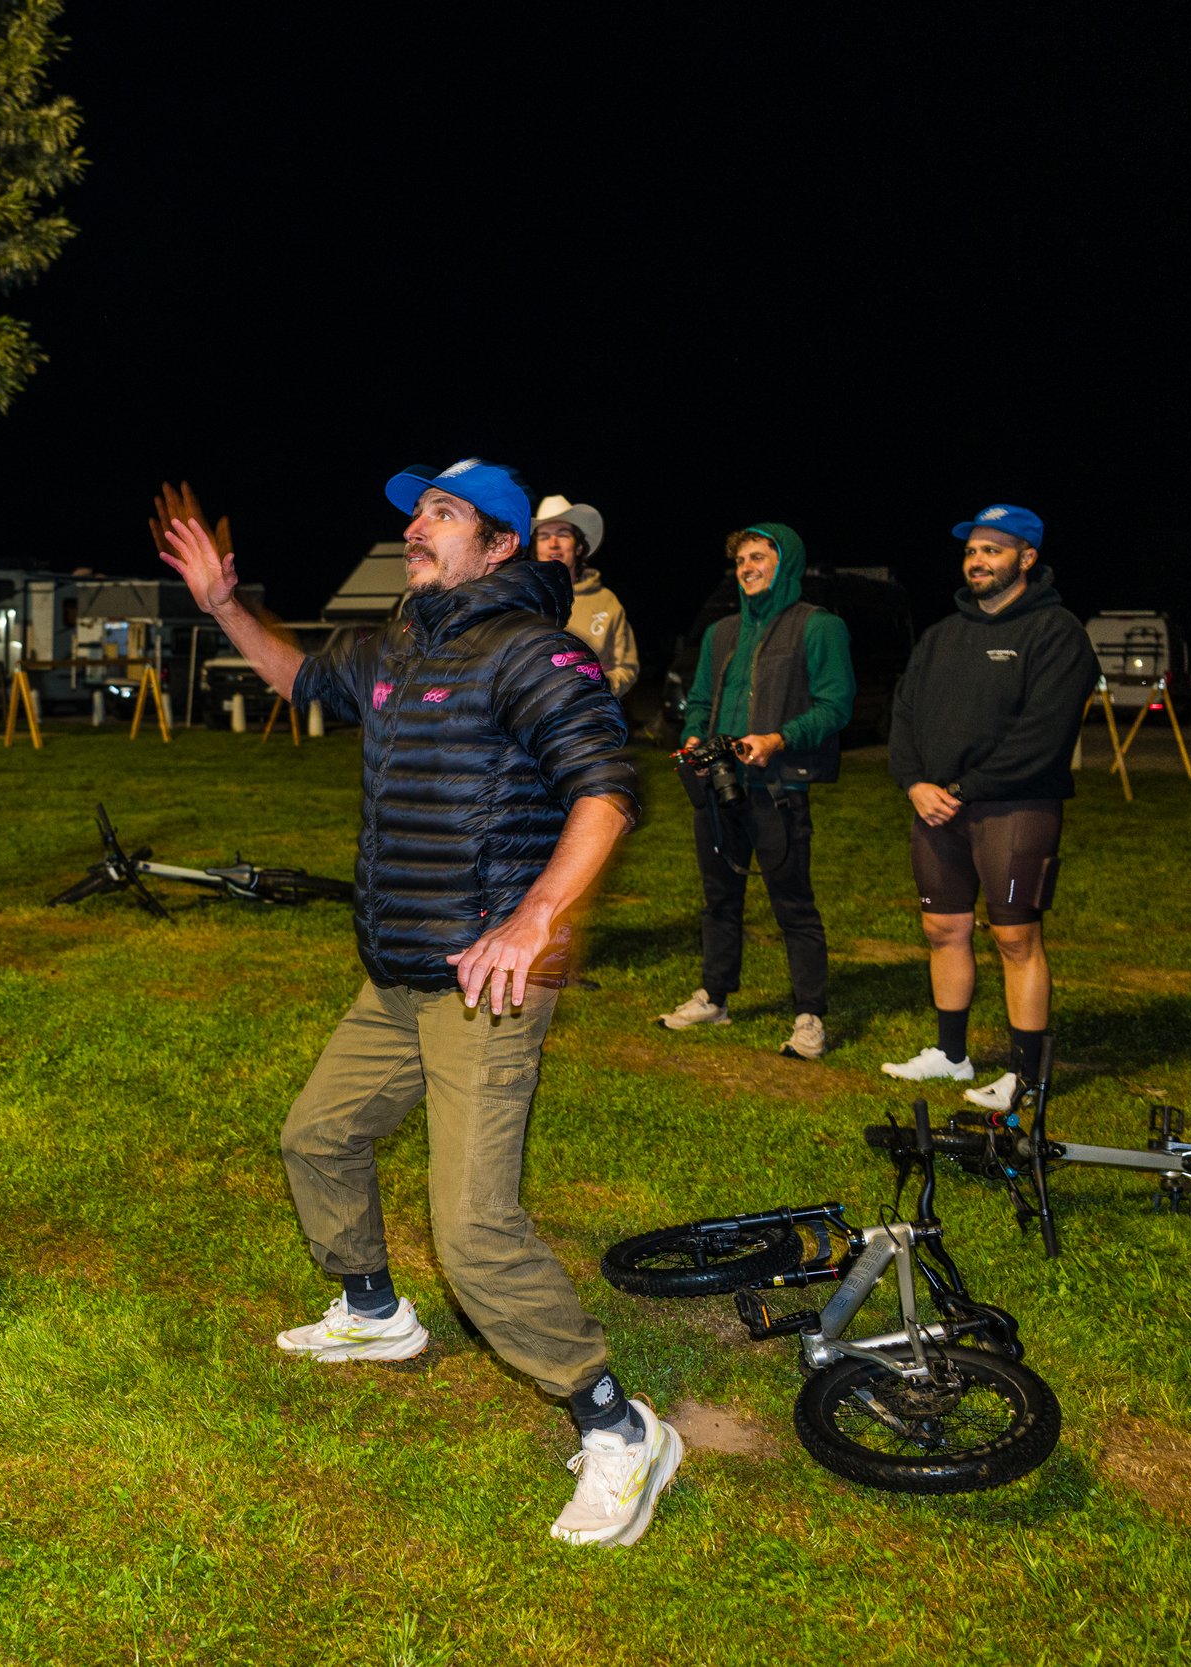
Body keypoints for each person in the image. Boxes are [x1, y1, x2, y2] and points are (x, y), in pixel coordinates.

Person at [160, 457, 682, 1549]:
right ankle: (372, 1312)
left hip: (484, 985)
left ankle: (618, 1422)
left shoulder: (537, 652)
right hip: (394, 976)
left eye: (442, 513)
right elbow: (301, 679)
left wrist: (536, 916)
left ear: (499, 545)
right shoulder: (400, 640)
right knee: (317, 1134)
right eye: (414, 511)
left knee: (474, 1229)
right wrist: (221, 606)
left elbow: (606, 787)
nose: (416, 527)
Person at [882, 505, 1097, 1110]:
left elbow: (1043, 733)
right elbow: (903, 712)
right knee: (942, 926)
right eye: (972, 550)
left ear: (1026, 559)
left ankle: (1025, 1076)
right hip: (935, 807)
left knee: (1015, 936)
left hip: (1014, 807)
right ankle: (952, 1056)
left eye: (993, 551)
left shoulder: (1056, 634)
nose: (978, 561)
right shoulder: (942, 635)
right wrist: (913, 782)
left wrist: (963, 789)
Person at [657, 524, 854, 1060]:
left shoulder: (819, 627)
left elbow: (836, 706)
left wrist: (778, 739)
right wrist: (696, 735)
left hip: (778, 788)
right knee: (719, 899)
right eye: (741, 559)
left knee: (793, 904)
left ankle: (809, 1014)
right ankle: (714, 996)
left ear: (785, 561)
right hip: (719, 790)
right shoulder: (721, 633)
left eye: (759, 556)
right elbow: (698, 700)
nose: (747, 567)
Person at [531, 494, 639, 698]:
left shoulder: (607, 601)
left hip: (589, 721)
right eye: (544, 536)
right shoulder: (519, 599)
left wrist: (600, 685)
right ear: (536, 549)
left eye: (562, 534)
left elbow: (627, 667)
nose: (553, 544)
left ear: (578, 547)